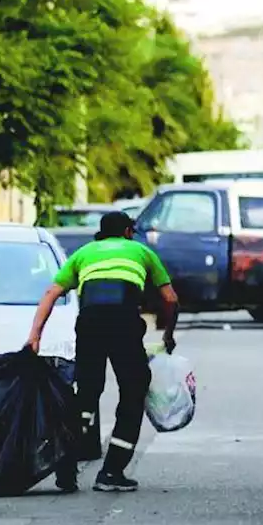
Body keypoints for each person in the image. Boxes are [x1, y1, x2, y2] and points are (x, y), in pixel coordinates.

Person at [26, 211, 179, 493]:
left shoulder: (84, 253)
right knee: (133, 392)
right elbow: (169, 298)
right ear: (127, 232)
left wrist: (34, 336)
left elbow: (50, 293)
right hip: (123, 324)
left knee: (85, 396)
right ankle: (111, 472)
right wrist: (168, 334)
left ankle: (66, 468)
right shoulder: (141, 251)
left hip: (90, 324)